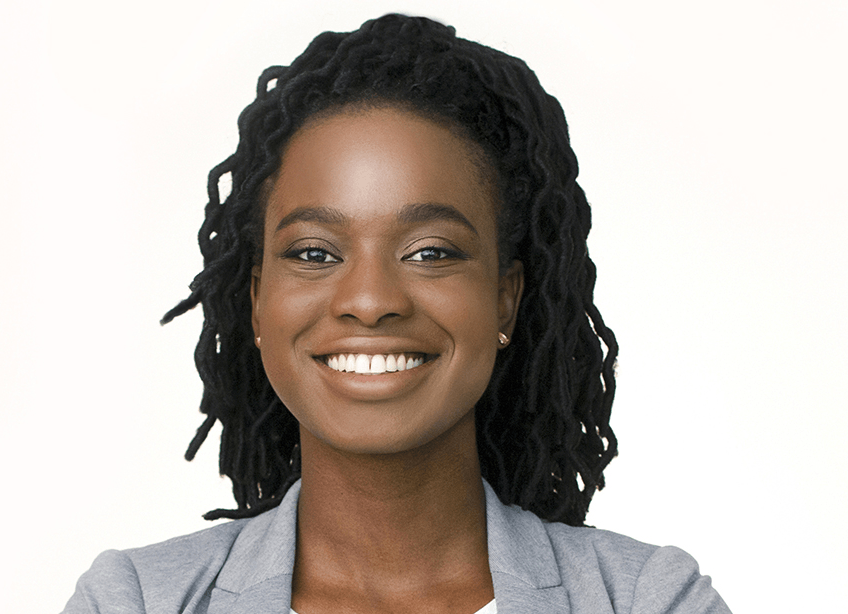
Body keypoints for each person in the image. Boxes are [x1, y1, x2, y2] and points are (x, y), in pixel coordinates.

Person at [62, 13, 730, 614]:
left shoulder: (648, 601)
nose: (371, 299)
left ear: (506, 296)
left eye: (431, 251)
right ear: (257, 302)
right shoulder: (136, 601)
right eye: (316, 253)